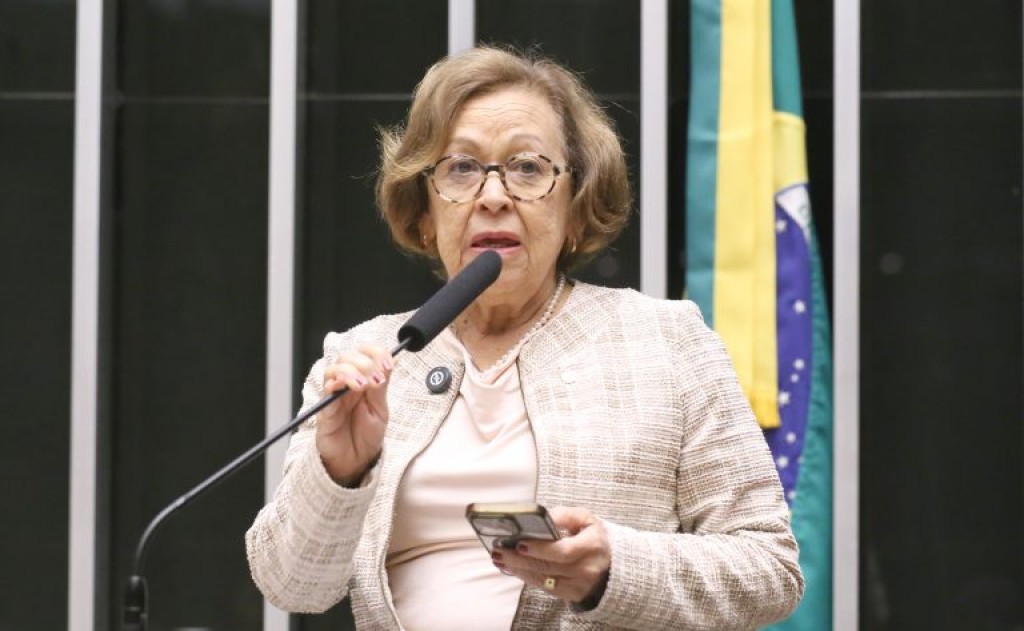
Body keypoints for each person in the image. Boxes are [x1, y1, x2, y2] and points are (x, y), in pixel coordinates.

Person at [246, 45, 803, 630]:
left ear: (576, 205)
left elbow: (769, 569)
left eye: (528, 168)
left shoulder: (666, 342)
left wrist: (614, 568)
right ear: (426, 212)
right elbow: (292, 583)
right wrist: (339, 470)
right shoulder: (366, 359)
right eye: (461, 168)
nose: (493, 197)